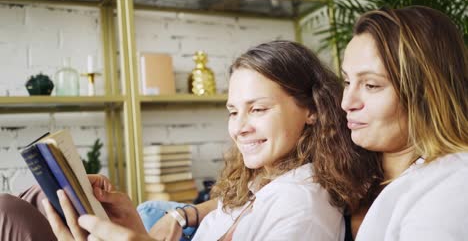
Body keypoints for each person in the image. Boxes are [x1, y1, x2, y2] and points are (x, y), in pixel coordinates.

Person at [35, 40, 381, 240]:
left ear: (312, 110)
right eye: (233, 112)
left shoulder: (301, 211)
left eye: (258, 109)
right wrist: (141, 224)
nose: (239, 128)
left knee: (14, 210)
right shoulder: (265, 180)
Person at [341, 6, 468, 240]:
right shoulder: (352, 177)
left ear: (426, 93)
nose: (346, 103)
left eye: (371, 85)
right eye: (347, 82)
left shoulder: (454, 185)